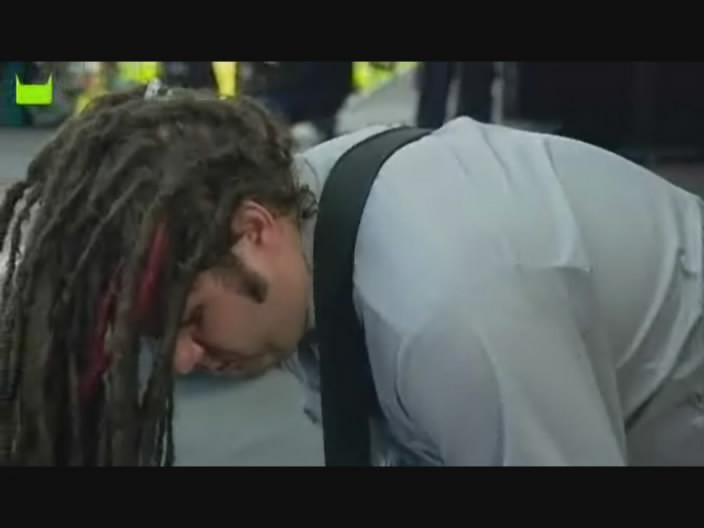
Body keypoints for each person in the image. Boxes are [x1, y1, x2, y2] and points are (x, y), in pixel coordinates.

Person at [2, 83, 704, 467]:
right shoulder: (305, 223)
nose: (185, 359)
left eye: (191, 318)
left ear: (254, 228)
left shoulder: (448, 313)